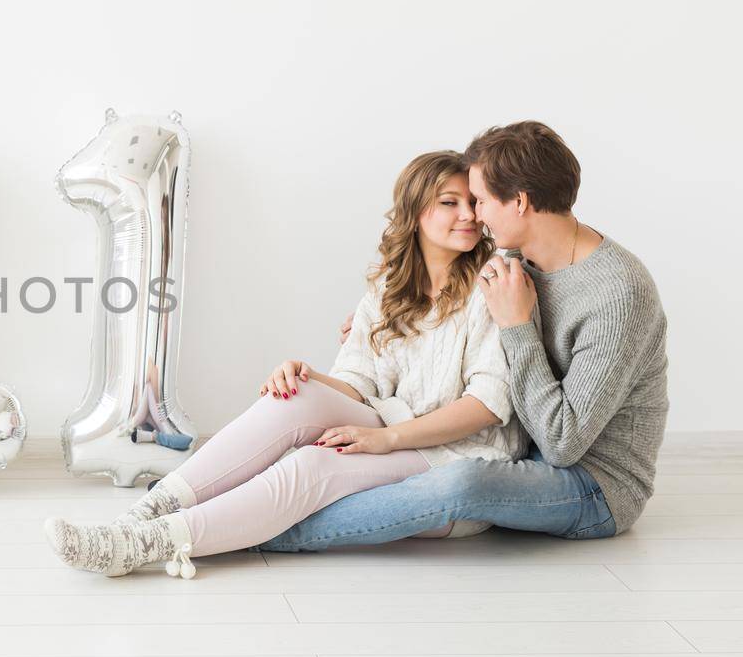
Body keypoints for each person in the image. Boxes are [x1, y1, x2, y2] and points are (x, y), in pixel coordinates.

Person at [44, 150, 528, 578]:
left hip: (459, 452)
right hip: (393, 419)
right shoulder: (390, 287)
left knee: (315, 464)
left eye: (473, 203)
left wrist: (386, 439)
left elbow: (488, 404)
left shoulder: (492, 284)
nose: (468, 215)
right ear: (416, 211)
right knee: (293, 394)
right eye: (450, 202)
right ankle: (140, 516)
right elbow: (358, 383)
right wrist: (308, 376)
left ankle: (143, 545)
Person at [251, 121, 668, 554]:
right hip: (518, 452)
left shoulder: (618, 292)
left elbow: (563, 444)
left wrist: (517, 327)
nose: (476, 216)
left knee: (462, 480)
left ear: (520, 202)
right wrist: (390, 321)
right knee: (333, 450)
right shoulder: (514, 259)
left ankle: (263, 532)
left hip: (592, 484)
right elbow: (450, 310)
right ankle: (242, 507)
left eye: (482, 201)